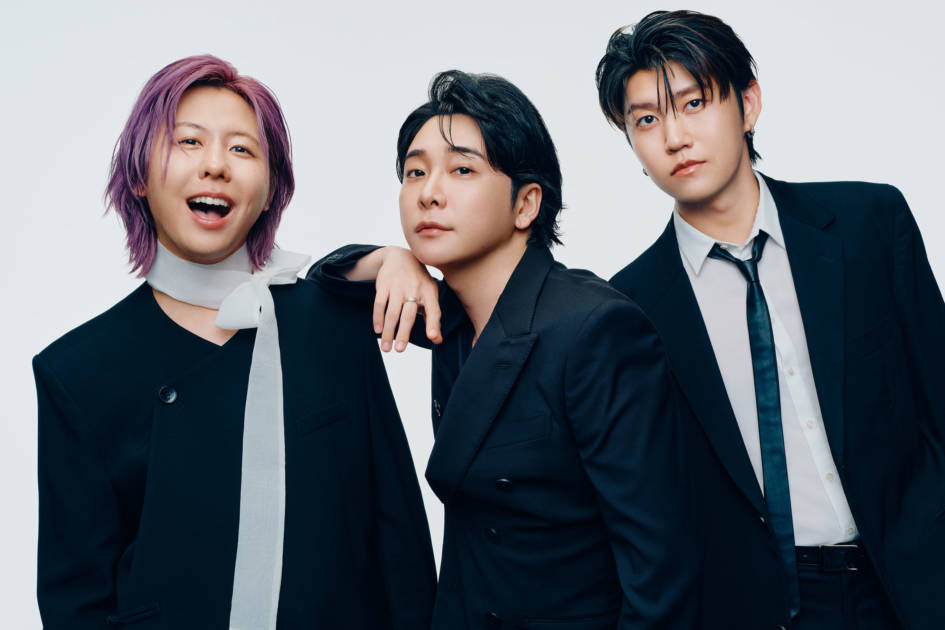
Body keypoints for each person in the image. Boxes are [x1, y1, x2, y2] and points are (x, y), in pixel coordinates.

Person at [32, 55, 435, 629]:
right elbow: (76, 601)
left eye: (243, 149)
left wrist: (393, 258)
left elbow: (400, 541)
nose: (216, 165)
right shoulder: (77, 371)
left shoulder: (334, 321)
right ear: (139, 176)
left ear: (270, 191)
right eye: (188, 141)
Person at [595, 10, 945, 630]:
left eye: (694, 103)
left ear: (748, 103)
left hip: (915, 583)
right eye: (645, 119)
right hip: (756, 606)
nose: (674, 137)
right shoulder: (628, 306)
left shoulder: (868, 223)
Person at [310, 70, 696, 629]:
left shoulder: (594, 329)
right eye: (415, 171)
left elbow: (660, 572)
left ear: (526, 204)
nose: (429, 192)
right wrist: (388, 258)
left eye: (462, 170)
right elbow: (321, 289)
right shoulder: (449, 315)